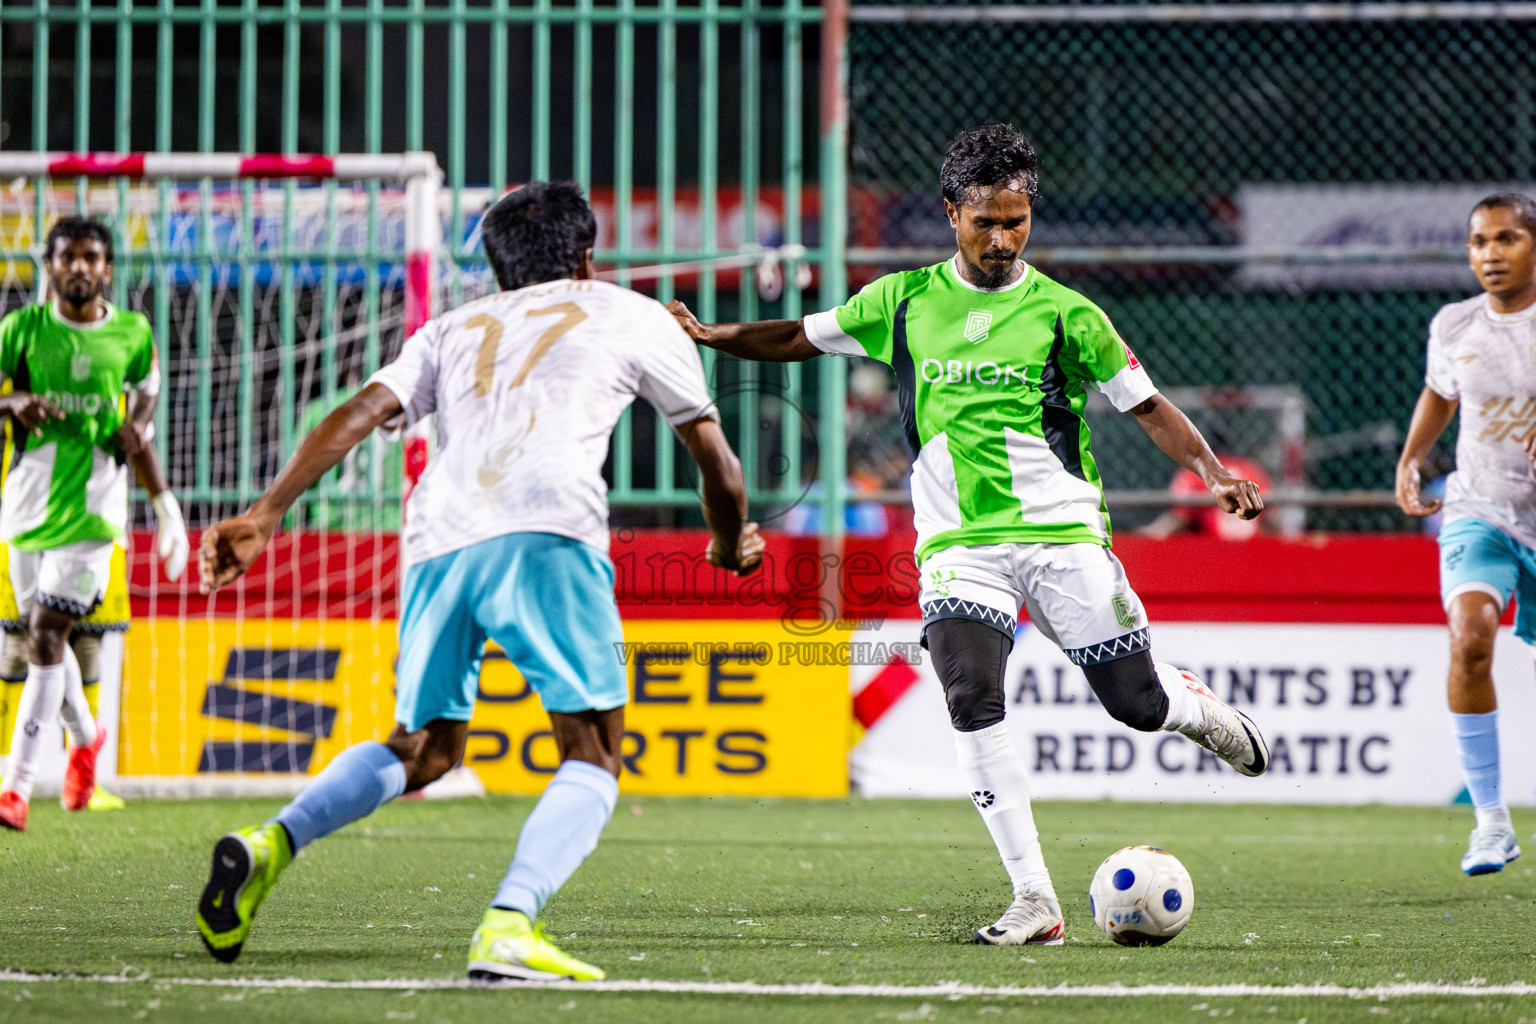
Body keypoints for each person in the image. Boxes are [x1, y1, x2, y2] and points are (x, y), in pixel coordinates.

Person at [667, 123, 1269, 946]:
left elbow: (1149, 407)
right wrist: (713, 337)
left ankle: (1191, 707)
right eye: (984, 220)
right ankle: (1036, 900)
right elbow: (800, 337)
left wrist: (1212, 471)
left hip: (1060, 534)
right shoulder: (903, 301)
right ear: (952, 213)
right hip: (960, 545)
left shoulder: (1068, 314)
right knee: (969, 691)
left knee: (1137, 704)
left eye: (1015, 221)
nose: (1000, 238)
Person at [193, 182, 762, 980]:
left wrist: (264, 513)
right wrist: (730, 540)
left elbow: (360, 409)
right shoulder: (629, 311)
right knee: (594, 748)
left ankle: (269, 844)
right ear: (589, 257)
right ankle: (507, 924)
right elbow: (717, 463)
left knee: (423, 747)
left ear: (496, 271)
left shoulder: (450, 328)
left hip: (435, 543)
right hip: (546, 528)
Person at [0, 216, 188, 832]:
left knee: (49, 634)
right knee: (38, 637)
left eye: (91, 258)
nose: (79, 267)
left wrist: (166, 510)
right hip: (26, 507)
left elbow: (147, 394)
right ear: (48, 265)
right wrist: (12, 402)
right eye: (67, 257)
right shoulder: (20, 331)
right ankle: (86, 740)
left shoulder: (131, 333)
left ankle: (16, 790)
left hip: (94, 513)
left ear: (107, 269)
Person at [1396, 192, 1536, 876]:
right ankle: (1489, 823)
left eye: (1506, 239)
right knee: (1471, 639)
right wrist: (1413, 456)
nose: (1490, 254)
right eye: (1479, 241)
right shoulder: (1454, 325)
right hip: (1480, 509)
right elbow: (1441, 392)